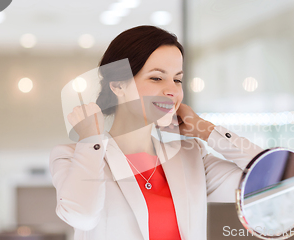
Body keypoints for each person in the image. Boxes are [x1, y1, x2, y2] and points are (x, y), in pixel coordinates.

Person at [49, 25, 263, 240]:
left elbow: (273, 180)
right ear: (118, 86)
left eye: (177, 79)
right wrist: (90, 139)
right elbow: (81, 216)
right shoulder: (74, 156)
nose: (172, 90)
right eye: (157, 78)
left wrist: (206, 130)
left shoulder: (190, 156)